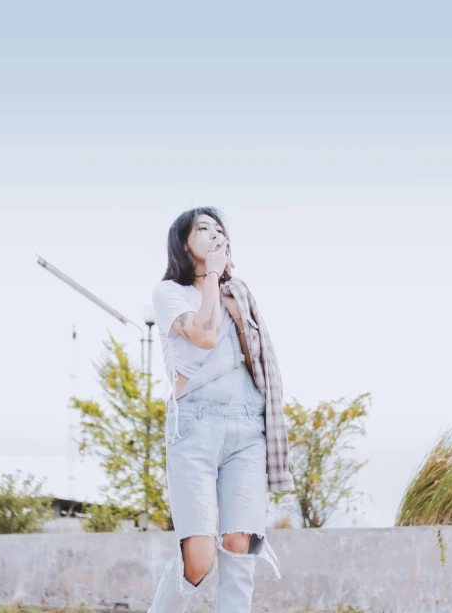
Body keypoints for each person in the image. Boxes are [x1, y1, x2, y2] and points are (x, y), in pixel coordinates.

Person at [148, 206, 282, 613]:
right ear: (183, 242)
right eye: (202, 228)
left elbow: (258, 362)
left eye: (219, 229)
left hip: (246, 427)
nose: (214, 234)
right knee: (199, 559)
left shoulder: (237, 295)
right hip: (195, 429)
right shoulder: (170, 292)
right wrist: (210, 276)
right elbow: (204, 337)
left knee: (240, 544)